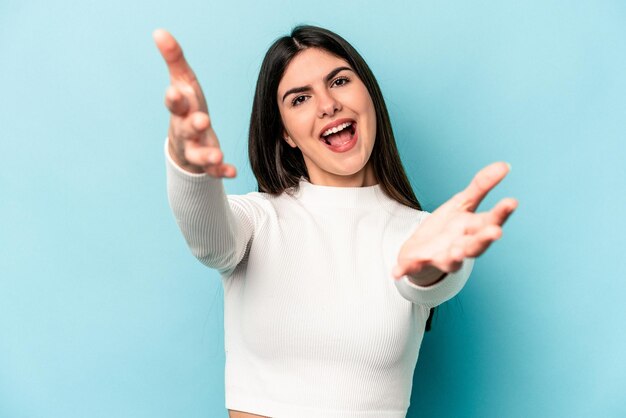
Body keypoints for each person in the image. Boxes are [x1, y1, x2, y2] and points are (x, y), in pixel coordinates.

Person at [154, 25, 517, 418]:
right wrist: (186, 159)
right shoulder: (256, 221)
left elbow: (430, 281)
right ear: (286, 135)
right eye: (300, 99)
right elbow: (209, 240)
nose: (327, 105)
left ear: (369, 97)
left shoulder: (424, 234)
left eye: (340, 81)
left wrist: (430, 270)